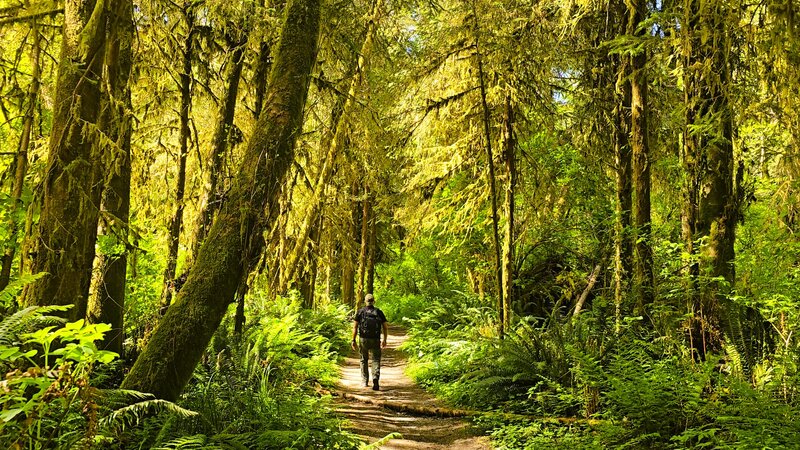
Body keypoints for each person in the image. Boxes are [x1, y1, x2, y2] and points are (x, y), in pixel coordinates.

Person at [351, 293, 388, 390]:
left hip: (363, 339)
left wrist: (353, 340)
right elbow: (385, 327)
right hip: (375, 339)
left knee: (364, 359)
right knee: (375, 359)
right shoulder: (379, 312)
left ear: (365, 301)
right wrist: (384, 339)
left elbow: (355, 327)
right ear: (373, 301)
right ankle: (375, 378)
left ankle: (364, 381)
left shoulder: (360, 312)